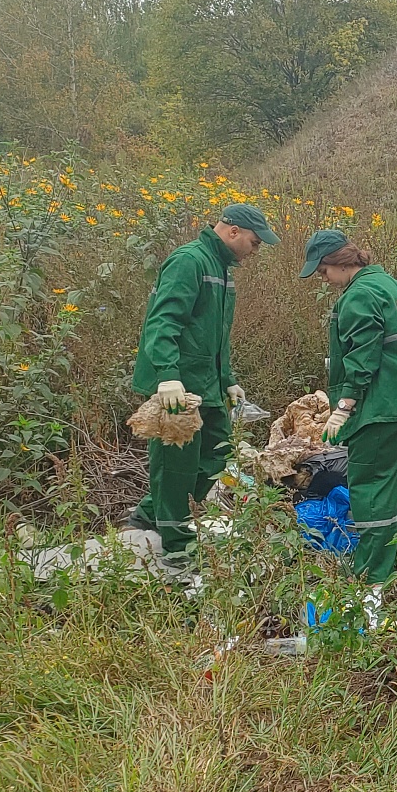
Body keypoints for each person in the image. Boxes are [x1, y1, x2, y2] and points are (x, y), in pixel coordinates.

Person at [126, 203, 277, 564]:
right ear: (233, 231)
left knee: (218, 451)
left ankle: (152, 512)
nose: (255, 252)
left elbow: (216, 333)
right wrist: (167, 376)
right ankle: (176, 543)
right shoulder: (189, 261)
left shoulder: (222, 270)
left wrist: (228, 380)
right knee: (176, 462)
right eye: (254, 243)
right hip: (179, 384)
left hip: (206, 383)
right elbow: (163, 321)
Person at [301, 228, 397, 588]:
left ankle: (372, 576)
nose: (326, 280)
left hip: (386, 405)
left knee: (368, 485)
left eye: (323, 272)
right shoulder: (391, 286)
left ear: (338, 262)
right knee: (388, 479)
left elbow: (363, 353)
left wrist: (345, 404)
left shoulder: (359, 294)